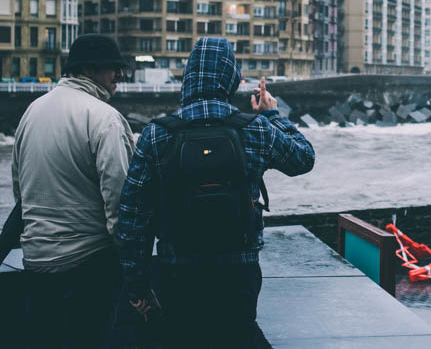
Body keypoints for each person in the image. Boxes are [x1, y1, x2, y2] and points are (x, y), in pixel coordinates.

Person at [117, 37, 315, 348]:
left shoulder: (157, 134)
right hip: (239, 269)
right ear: (230, 78)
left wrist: (137, 286)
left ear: (189, 76)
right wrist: (272, 114)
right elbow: (303, 158)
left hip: (177, 270)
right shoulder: (254, 128)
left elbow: (132, 218)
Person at [12, 33, 134, 348]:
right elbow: (120, 204)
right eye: (113, 68)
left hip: (36, 263)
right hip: (88, 265)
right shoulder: (105, 119)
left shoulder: (31, 112)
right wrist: (135, 272)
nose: (120, 75)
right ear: (90, 70)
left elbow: (20, 192)